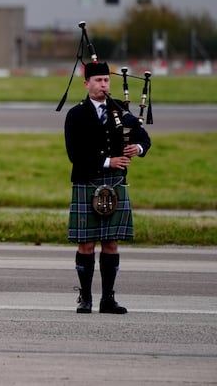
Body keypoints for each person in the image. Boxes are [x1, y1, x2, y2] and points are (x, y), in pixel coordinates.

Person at [64, 61, 151, 314]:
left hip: (114, 183)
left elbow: (143, 137)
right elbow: (75, 153)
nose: (103, 85)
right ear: (86, 84)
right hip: (87, 181)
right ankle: (86, 298)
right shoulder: (76, 115)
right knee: (86, 244)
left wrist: (139, 148)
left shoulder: (120, 112)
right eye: (98, 81)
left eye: (106, 81)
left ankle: (108, 299)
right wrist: (108, 160)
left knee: (111, 243)